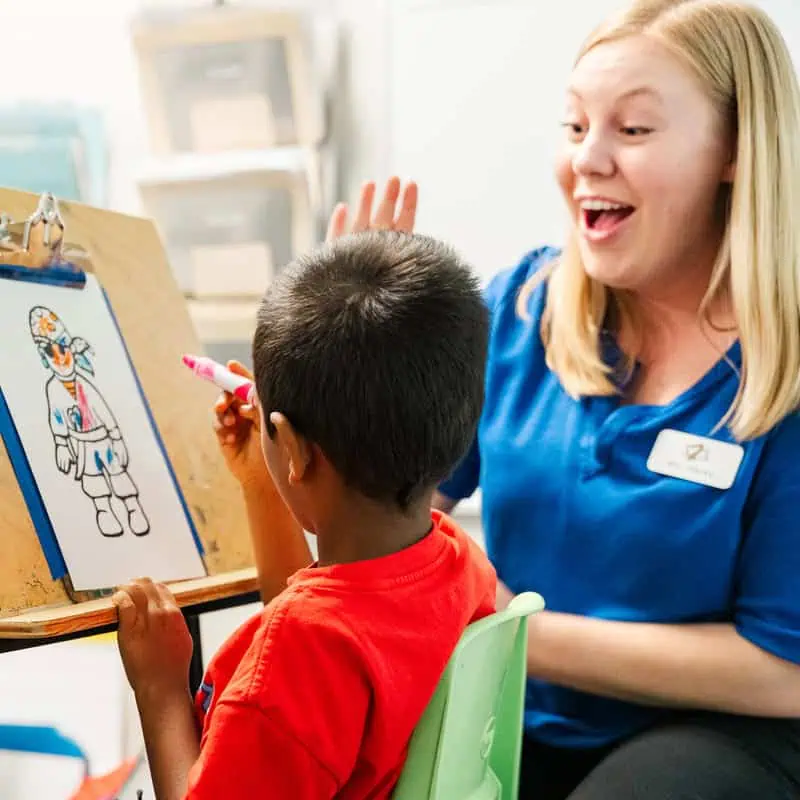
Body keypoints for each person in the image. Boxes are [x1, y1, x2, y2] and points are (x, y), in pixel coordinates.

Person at [227, 0, 800, 798]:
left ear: (737, 149)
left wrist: (502, 625)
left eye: (633, 131)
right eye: (573, 128)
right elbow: (377, 509)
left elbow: (784, 671)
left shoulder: (787, 368)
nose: (588, 161)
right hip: (500, 710)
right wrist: (348, 363)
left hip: (720, 742)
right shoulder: (520, 310)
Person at [111, 231, 498, 799]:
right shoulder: (456, 562)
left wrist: (161, 688)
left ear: (291, 445)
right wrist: (261, 485)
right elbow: (317, 650)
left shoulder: (301, 652)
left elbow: (301, 663)